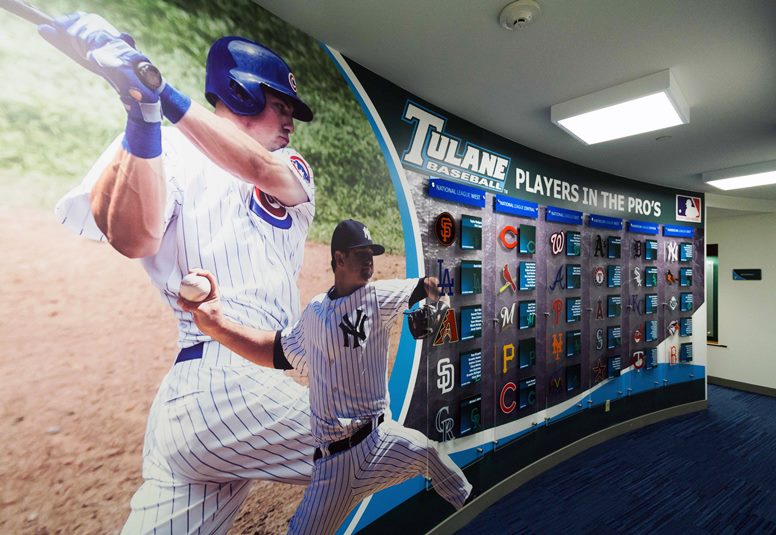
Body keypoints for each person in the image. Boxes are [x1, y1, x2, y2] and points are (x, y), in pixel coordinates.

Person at [41, 12, 318, 533]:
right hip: (223, 381)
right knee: (365, 441)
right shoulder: (154, 150)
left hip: (206, 401)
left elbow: (257, 169)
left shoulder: (291, 168)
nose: (290, 122)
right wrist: (142, 114)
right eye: (281, 105)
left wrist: (158, 88)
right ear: (239, 94)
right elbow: (134, 238)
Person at [180, 220, 472, 535]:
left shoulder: (376, 297)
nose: (369, 261)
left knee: (429, 452)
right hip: (333, 466)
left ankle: (479, 514)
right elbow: (277, 351)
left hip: (380, 440)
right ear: (340, 258)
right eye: (361, 254)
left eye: (371, 254)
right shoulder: (315, 312)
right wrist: (218, 328)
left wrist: (436, 310)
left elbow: (432, 285)